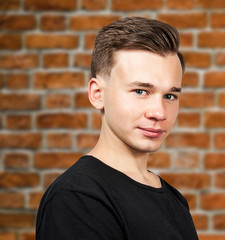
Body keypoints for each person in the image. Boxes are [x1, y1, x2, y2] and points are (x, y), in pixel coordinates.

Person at [36, 16, 199, 240]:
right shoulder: (78, 197)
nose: (159, 113)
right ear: (97, 94)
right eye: (141, 91)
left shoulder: (174, 199)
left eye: (170, 96)